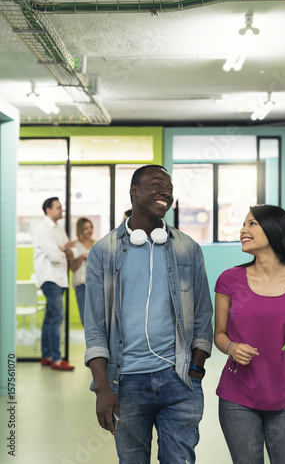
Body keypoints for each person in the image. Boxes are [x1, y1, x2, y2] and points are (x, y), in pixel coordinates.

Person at [84, 164, 213, 464]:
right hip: (125, 382)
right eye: (156, 183)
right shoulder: (104, 252)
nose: (165, 190)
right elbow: (95, 327)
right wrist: (102, 388)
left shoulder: (187, 248)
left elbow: (203, 316)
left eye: (168, 186)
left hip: (178, 379)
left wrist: (195, 370)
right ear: (134, 191)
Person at [214, 204, 285, 464]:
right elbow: (218, 334)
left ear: (275, 229)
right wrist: (231, 347)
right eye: (243, 224)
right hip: (237, 397)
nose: (243, 230)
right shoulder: (229, 279)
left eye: (252, 224)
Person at [33, 197, 77, 371]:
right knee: (57, 316)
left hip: (59, 278)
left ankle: (47, 355)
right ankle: (56, 359)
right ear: (48, 210)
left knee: (50, 316)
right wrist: (63, 250)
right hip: (50, 277)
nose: (62, 210)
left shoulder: (59, 229)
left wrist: (63, 250)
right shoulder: (43, 229)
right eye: (58, 208)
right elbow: (55, 256)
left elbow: (70, 251)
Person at [69, 217, 95, 326]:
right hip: (81, 286)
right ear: (80, 230)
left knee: (96, 319)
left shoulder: (97, 244)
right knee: (85, 318)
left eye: (91, 227)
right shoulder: (74, 245)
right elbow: (72, 268)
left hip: (95, 285)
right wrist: (82, 257)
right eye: (86, 228)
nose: (89, 230)